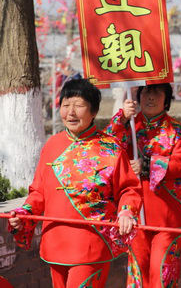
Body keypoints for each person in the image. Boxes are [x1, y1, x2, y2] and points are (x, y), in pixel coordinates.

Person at [8, 79, 141, 288]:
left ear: (94, 111)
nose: (70, 112)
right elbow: (39, 192)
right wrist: (24, 212)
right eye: (66, 105)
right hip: (55, 240)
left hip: (91, 242)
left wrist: (126, 212)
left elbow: (129, 189)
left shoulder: (110, 147)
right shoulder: (52, 144)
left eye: (78, 106)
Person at [106, 83, 181, 287]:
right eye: (146, 91)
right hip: (135, 213)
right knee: (138, 270)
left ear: (167, 99)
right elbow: (105, 147)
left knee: (162, 272)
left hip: (169, 215)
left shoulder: (178, 131)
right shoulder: (129, 126)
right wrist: (121, 117)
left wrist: (147, 164)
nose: (150, 97)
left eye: (157, 92)